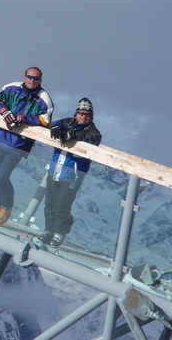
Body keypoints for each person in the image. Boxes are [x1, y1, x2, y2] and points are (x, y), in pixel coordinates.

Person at [0, 67, 54, 226]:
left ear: (40, 80)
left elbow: (45, 120)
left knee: (1, 178)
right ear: (24, 77)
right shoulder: (11, 87)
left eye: (36, 78)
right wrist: (5, 112)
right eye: (29, 77)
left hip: (19, 144)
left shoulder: (43, 98)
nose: (32, 80)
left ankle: (6, 207)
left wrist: (24, 118)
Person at [39, 98, 102, 248]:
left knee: (62, 205)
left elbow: (92, 140)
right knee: (50, 204)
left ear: (91, 117)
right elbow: (56, 124)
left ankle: (60, 232)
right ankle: (49, 230)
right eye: (81, 113)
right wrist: (55, 128)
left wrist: (73, 136)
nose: (83, 117)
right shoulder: (68, 122)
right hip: (55, 171)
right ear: (76, 113)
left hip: (72, 177)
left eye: (87, 114)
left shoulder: (93, 132)